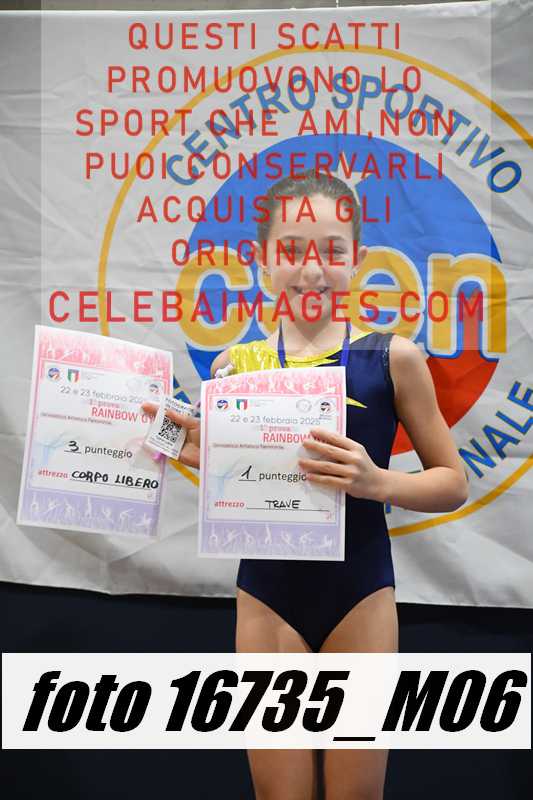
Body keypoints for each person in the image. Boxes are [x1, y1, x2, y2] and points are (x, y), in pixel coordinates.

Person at [142, 169, 468, 800]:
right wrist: (192, 451)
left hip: (360, 596)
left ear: (358, 259)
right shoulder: (237, 367)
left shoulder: (393, 358)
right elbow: (239, 475)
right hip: (268, 598)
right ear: (263, 260)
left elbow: (452, 482)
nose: (312, 269)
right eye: (292, 249)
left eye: (332, 251)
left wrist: (377, 481)